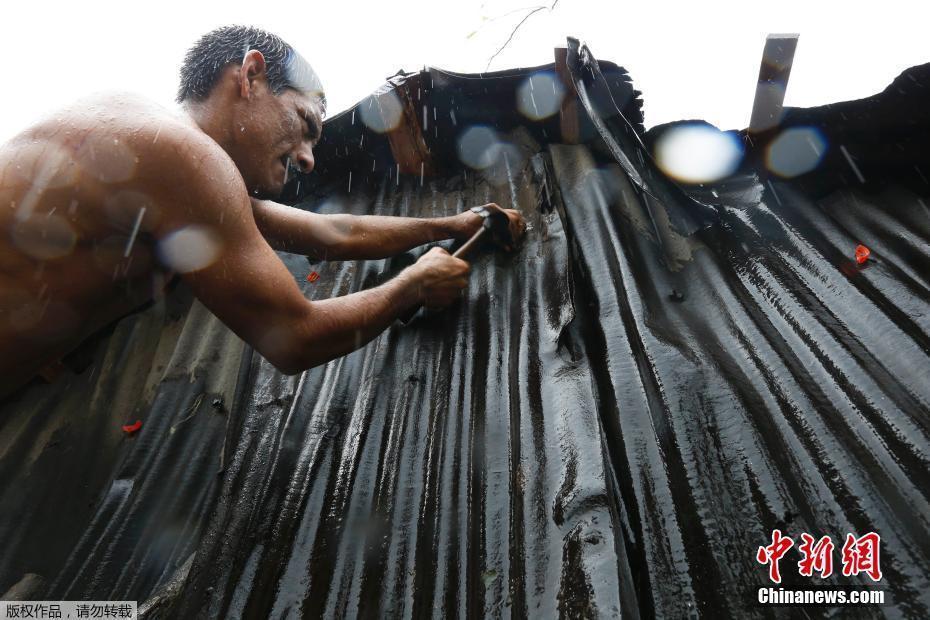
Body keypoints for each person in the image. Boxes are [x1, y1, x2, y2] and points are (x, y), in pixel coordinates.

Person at [0, 25, 525, 398]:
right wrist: (413, 284)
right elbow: (295, 338)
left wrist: (455, 223)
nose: (307, 156)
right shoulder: (179, 152)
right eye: (304, 122)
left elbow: (330, 232)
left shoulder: (165, 163)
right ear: (251, 75)